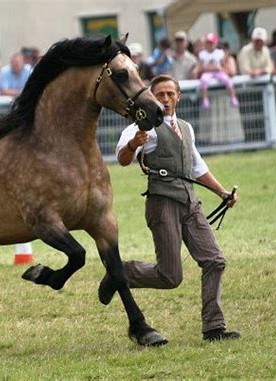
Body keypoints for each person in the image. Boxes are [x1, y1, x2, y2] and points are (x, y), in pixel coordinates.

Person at [98, 74, 241, 343]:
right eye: (160, 94)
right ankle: (121, 272)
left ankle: (214, 328)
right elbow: (122, 158)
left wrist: (221, 192)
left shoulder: (186, 128)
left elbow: (197, 167)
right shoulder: (144, 126)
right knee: (170, 276)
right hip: (162, 203)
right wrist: (132, 145)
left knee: (215, 261)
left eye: (170, 94)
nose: (165, 99)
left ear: (178, 97)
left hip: (190, 202)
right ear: (152, 97)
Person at [195, 33, 239, 109]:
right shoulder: (202, 54)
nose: (209, 45)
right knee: (204, 80)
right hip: (207, 72)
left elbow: (222, 64)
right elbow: (200, 65)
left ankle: (233, 98)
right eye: (208, 43)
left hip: (218, 71)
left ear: (215, 43)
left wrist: (220, 68)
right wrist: (206, 68)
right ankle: (205, 99)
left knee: (227, 80)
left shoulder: (220, 53)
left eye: (211, 43)